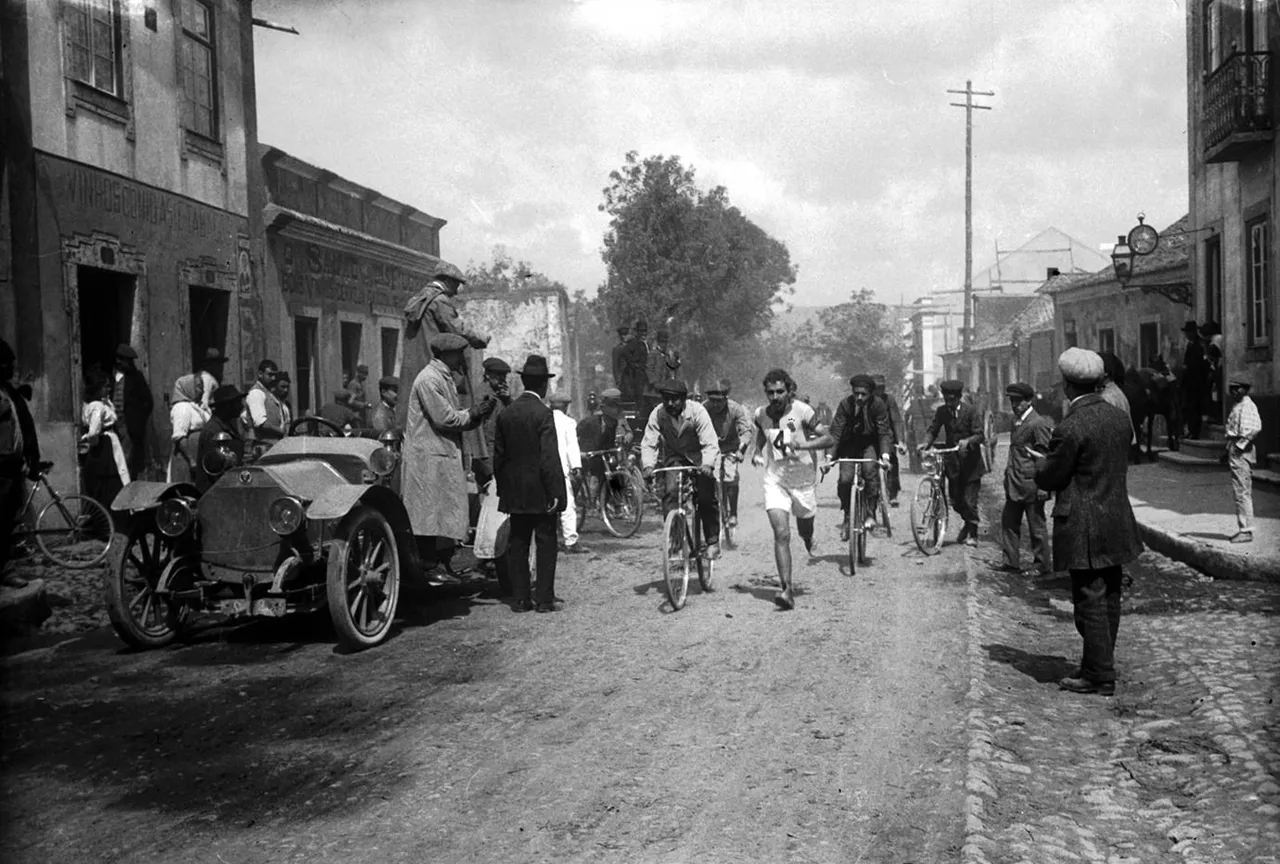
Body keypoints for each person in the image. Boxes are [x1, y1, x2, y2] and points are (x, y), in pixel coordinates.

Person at [1035, 348, 1143, 696]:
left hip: (1084, 523)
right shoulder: (1118, 418)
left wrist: (1041, 464)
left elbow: (1051, 477)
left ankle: (1098, 674)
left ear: (1067, 385)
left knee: (1088, 600)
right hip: (1116, 519)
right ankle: (1100, 663)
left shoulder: (1071, 426)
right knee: (1110, 596)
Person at [402, 333, 495, 583]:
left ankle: (441, 564)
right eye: (458, 354)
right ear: (447, 355)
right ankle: (429, 566)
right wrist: (473, 414)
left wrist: (474, 414)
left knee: (444, 512)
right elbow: (445, 418)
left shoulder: (443, 378)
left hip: (440, 455)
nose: (461, 358)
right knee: (428, 514)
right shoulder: (428, 380)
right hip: (428, 457)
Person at [747, 368, 827, 610]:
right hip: (776, 480)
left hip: (802, 479)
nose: (775, 397)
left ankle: (808, 536)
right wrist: (758, 451)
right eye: (770, 392)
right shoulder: (761, 414)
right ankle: (786, 590)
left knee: (804, 524)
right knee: (781, 533)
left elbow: (828, 438)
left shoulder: (803, 411)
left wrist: (803, 445)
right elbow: (763, 433)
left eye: (780, 391)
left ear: (789, 391)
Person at [494, 354, 566, 613]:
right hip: (541, 492)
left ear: (524, 382)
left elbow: (499, 457)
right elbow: (549, 458)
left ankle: (521, 599)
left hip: (515, 492)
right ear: (543, 385)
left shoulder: (506, 414)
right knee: (546, 543)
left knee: (518, 543)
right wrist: (557, 492)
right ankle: (545, 600)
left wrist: (503, 489)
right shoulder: (544, 414)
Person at [640, 378, 721, 561]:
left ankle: (712, 541)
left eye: (675, 399)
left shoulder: (698, 411)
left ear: (684, 399)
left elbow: (709, 442)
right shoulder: (658, 414)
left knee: (706, 496)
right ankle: (675, 537)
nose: (670, 403)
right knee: (670, 493)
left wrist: (707, 464)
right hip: (675, 457)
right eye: (666, 398)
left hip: (699, 457)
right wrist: (648, 466)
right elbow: (649, 443)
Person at [817, 374, 893, 542]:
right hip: (848, 445)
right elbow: (836, 432)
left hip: (869, 445)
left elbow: (883, 432)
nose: (859, 397)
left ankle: (870, 514)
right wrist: (829, 457)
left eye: (863, 394)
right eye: (856, 393)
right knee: (845, 479)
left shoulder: (878, 405)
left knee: (869, 472)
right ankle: (847, 516)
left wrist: (885, 456)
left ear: (871, 393)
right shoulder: (845, 404)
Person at [920, 379, 986, 546]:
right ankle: (968, 523)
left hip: (971, 464)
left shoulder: (970, 411)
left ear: (958, 398)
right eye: (946, 400)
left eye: (952, 400)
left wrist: (968, 441)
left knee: (970, 501)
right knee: (956, 501)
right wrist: (925, 443)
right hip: (953, 464)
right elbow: (933, 429)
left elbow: (980, 435)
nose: (949, 404)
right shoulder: (942, 411)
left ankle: (973, 534)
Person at [996, 382, 1052, 575]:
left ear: (1029, 401)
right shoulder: (1016, 421)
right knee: (1009, 522)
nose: (1014, 404)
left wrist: (1044, 486)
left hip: (1031, 483)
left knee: (1036, 527)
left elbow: (1044, 457)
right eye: (1012, 400)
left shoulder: (1038, 423)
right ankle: (1011, 562)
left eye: (1018, 401)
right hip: (1014, 481)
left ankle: (1042, 565)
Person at [1, 340, 41, 584]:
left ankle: (5, 570)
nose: (11, 369)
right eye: (6, 365)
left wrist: (32, 460)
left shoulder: (10, 393)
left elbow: (26, 428)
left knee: (8, 519)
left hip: (11, 467)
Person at [473, 357, 514, 588]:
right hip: (485, 459)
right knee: (486, 508)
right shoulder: (483, 396)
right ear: (488, 375)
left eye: (504, 377)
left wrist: (508, 400)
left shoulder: (501, 396)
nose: (502, 381)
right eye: (498, 376)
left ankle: (489, 557)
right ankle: (485, 559)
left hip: (498, 456)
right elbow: (478, 432)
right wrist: (486, 465)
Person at [703, 379, 753, 530]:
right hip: (711, 448)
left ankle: (733, 513)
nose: (716, 405)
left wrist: (741, 450)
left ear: (726, 398)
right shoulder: (704, 408)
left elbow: (746, 431)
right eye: (712, 401)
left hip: (730, 447)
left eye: (719, 401)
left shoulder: (735, 409)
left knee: (731, 477)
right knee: (707, 479)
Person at [80, 367, 130, 506]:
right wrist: (95, 442)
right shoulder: (97, 407)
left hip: (106, 441)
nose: (108, 389)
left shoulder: (99, 404)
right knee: (114, 477)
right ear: (97, 387)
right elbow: (94, 432)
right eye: (105, 386)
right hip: (106, 444)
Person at [1224, 370, 1262, 544]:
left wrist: (1237, 448)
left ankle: (1246, 530)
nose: (1233, 391)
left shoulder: (1247, 406)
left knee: (1242, 492)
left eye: (1237, 388)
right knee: (1240, 490)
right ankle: (1244, 527)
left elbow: (1253, 429)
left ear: (1245, 389)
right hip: (1235, 449)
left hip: (1241, 452)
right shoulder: (1238, 405)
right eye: (1231, 388)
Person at [548, 390, 587, 554]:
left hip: (542, 468)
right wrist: (576, 466)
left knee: (547, 504)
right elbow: (572, 446)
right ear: (565, 406)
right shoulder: (569, 422)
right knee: (567, 504)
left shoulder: (542, 419)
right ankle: (570, 541)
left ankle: (549, 540)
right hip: (561, 468)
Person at [578, 387, 634, 493]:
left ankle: (617, 498)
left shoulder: (620, 416)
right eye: (613, 403)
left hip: (615, 452)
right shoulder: (596, 418)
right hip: (597, 452)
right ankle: (594, 503)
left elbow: (629, 432)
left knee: (616, 476)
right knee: (596, 477)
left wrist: (626, 438)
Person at [193, 385, 247, 493]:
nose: (241, 406)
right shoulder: (213, 431)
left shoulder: (229, 425)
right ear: (227, 406)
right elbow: (214, 468)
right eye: (237, 403)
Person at [113, 344, 153, 479]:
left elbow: (148, 402)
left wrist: (137, 421)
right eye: (125, 361)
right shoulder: (110, 376)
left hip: (128, 426)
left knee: (126, 461)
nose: (128, 364)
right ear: (119, 360)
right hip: (112, 426)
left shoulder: (136, 377)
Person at [167, 373, 209, 484]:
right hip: (188, 457)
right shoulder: (182, 408)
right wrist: (192, 460)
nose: (202, 390)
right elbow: (180, 436)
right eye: (198, 386)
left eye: (202, 387)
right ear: (188, 387)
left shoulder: (196, 406)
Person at [872, 373, 906, 506]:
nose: (879, 391)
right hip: (870, 437)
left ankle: (893, 494)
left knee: (892, 461)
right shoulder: (865, 400)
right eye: (876, 388)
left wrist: (901, 441)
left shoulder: (889, 400)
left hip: (887, 437)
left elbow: (897, 420)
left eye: (881, 388)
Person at [1179, 320, 1208, 440]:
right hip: (1190, 382)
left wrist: (1187, 367)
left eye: (1187, 332)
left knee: (1195, 407)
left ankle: (1195, 432)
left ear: (1192, 332)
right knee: (1190, 407)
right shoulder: (1191, 344)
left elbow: (1199, 364)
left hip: (1196, 382)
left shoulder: (1199, 345)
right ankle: (1191, 430)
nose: (1186, 335)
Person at [243, 359, 284, 442]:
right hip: (262, 445)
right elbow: (260, 423)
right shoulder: (256, 393)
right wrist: (281, 431)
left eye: (275, 375)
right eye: (270, 375)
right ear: (260, 374)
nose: (273, 378)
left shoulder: (269, 392)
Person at [621, 319, 650, 407]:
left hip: (643, 373)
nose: (643, 333)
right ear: (637, 332)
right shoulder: (634, 342)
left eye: (645, 331)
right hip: (635, 375)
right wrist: (634, 365)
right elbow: (625, 352)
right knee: (638, 394)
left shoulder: (644, 343)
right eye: (641, 331)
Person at [196, 347, 228, 412]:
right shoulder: (207, 378)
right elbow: (204, 403)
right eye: (218, 364)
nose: (220, 367)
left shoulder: (201, 375)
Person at [611, 325, 630, 390]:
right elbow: (615, 366)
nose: (623, 336)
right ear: (619, 336)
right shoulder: (617, 349)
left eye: (625, 334)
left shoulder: (633, 346)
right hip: (623, 377)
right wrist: (618, 380)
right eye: (622, 334)